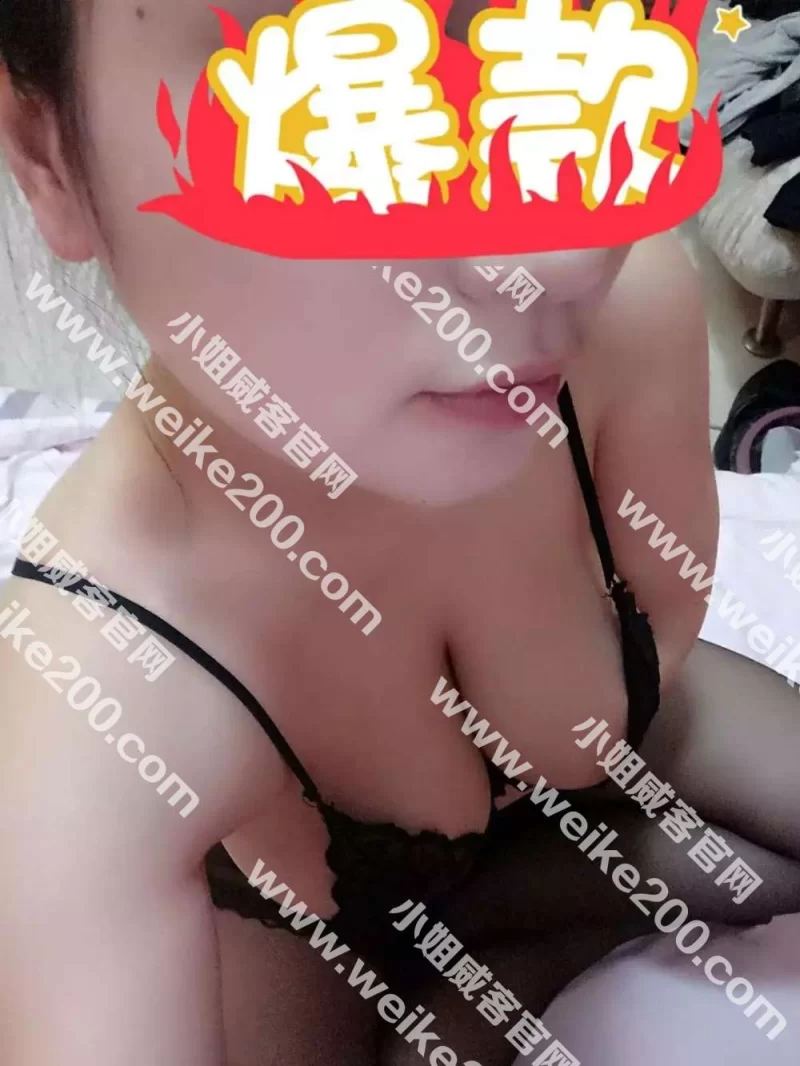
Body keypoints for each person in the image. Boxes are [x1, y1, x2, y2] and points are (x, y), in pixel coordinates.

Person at [1, 3, 799, 1065]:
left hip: (607, 774)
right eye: (344, 107)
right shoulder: (97, 709)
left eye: (577, 56)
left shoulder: (633, 318)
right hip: (328, 935)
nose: (564, 250)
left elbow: (669, 649)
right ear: (48, 153)